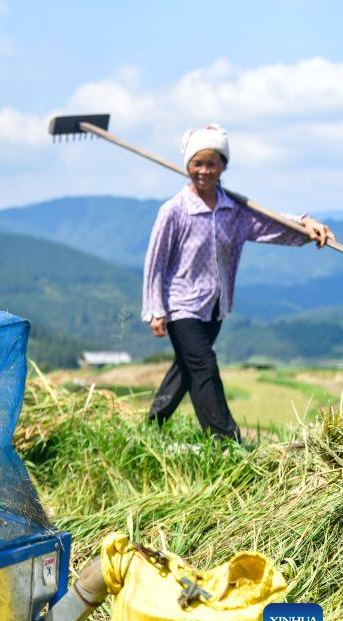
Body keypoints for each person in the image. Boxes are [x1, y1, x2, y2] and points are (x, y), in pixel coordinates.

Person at [143, 124, 334, 442]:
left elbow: (272, 225)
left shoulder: (235, 210)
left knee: (186, 368)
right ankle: (225, 441)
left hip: (216, 305)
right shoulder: (174, 211)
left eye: (211, 163)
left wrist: (306, 225)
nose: (203, 171)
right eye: (197, 163)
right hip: (181, 304)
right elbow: (155, 262)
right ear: (187, 165)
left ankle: (151, 427)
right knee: (203, 366)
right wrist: (155, 309)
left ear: (223, 166)